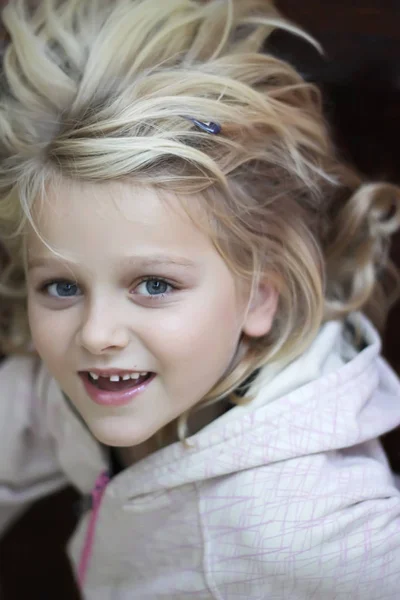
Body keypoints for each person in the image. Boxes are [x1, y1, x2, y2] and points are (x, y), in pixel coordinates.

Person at [0, 0, 400, 598]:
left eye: (155, 285)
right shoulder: (74, 379)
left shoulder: (311, 529)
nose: (95, 333)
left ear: (259, 298)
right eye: (62, 286)